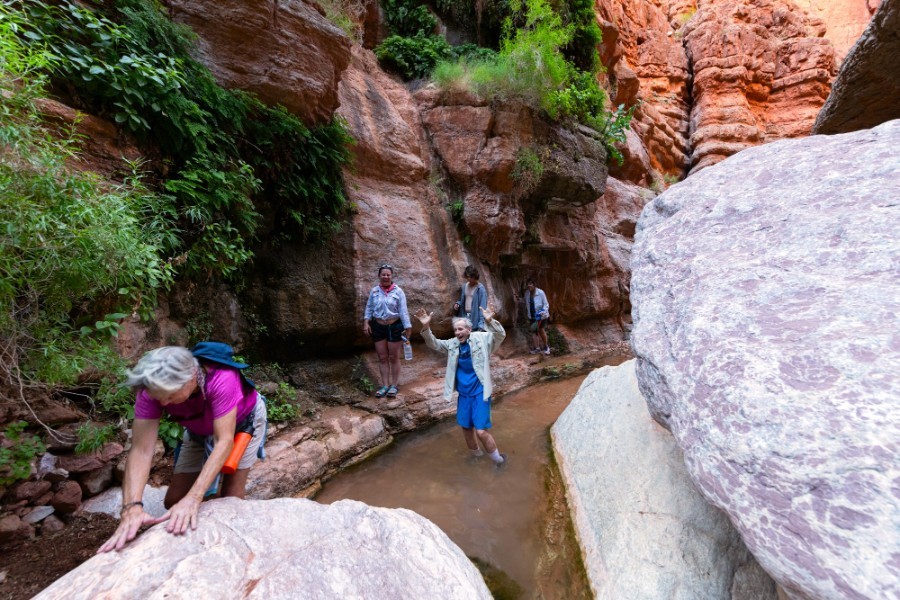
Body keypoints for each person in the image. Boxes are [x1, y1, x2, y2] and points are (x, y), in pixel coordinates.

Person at [98, 343, 267, 553]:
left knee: (230, 498)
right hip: (199, 428)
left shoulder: (221, 378)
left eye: (169, 397)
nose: (164, 403)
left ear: (191, 378)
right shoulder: (152, 390)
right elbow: (141, 450)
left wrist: (194, 498)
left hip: (243, 423)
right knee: (174, 501)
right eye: (159, 397)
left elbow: (224, 441)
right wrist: (131, 507)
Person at [415, 302, 507, 467]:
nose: (458, 332)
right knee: (466, 429)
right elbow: (433, 343)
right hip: (464, 394)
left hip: (480, 392)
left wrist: (490, 321)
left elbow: (500, 335)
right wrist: (426, 327)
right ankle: (477, 457)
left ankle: (498, 460)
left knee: (480, 431)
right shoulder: (452, 344)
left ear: (469, 330)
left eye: (461, 329)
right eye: (456, 330)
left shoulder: (482, 339)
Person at [363, 264, 412, 398]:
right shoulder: (374, 291)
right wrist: (366, 322)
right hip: (378, 326)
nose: (385, 277)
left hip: (395, 326)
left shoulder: (398, 291)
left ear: (391, 276)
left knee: (393, 357)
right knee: (382, 357)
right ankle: (384, 385)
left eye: (388, 274)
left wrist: (408, 327)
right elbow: (369, 308)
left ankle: (394, 386)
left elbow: (403, 310)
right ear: (379, 276)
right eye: (383, 274)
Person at [519, 278, 550, 355]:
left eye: (530, 284)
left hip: (541, 316)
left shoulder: (541, 293)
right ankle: (537, 348)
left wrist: (542, 312)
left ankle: (546, 347)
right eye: (528, 284)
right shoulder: (527, 293)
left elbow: (546, 304)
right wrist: (518, 299)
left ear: (534, 285)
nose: (529, 285)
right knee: (534, 332)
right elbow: (525, 301)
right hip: (532, 316)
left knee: (541, 330)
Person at [453, 265, 488, 332]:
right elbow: (462, 300)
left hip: (474, 319)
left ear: (475, 276)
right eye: (468, 277)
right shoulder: (464, 286)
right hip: (464, 317)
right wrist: (458, 303)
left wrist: (481, 325)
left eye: (471, 277)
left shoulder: (480, 289)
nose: (469, 279)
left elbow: (483, 308)